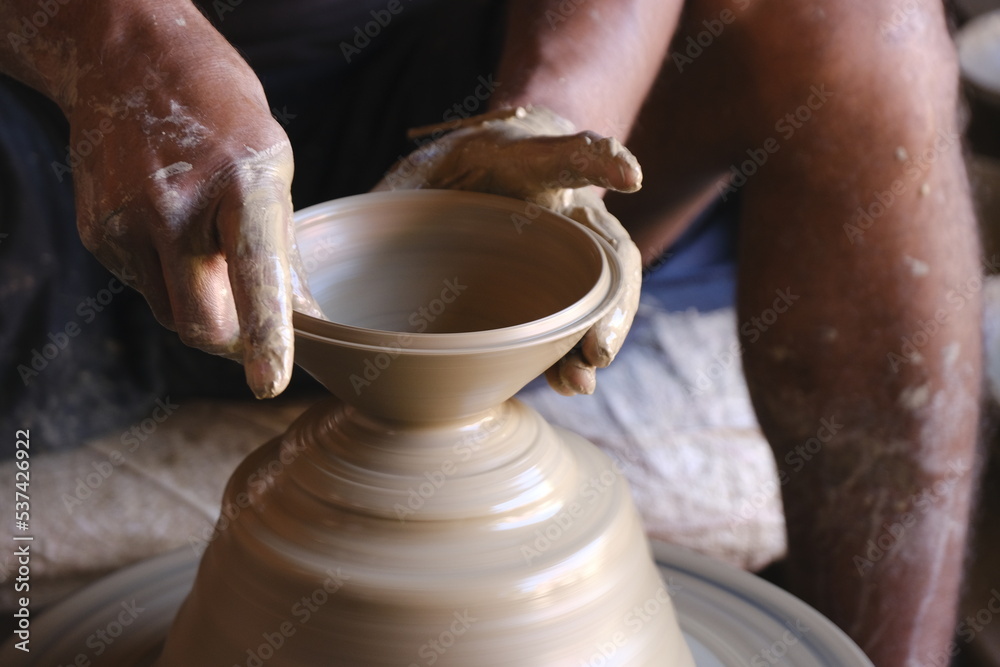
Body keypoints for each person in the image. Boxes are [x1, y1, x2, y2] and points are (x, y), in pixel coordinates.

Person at [0, 0, 982, 664]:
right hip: (56, 100)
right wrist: (116, 46)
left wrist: (545, 114)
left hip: (437, 83)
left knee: (865, 24)